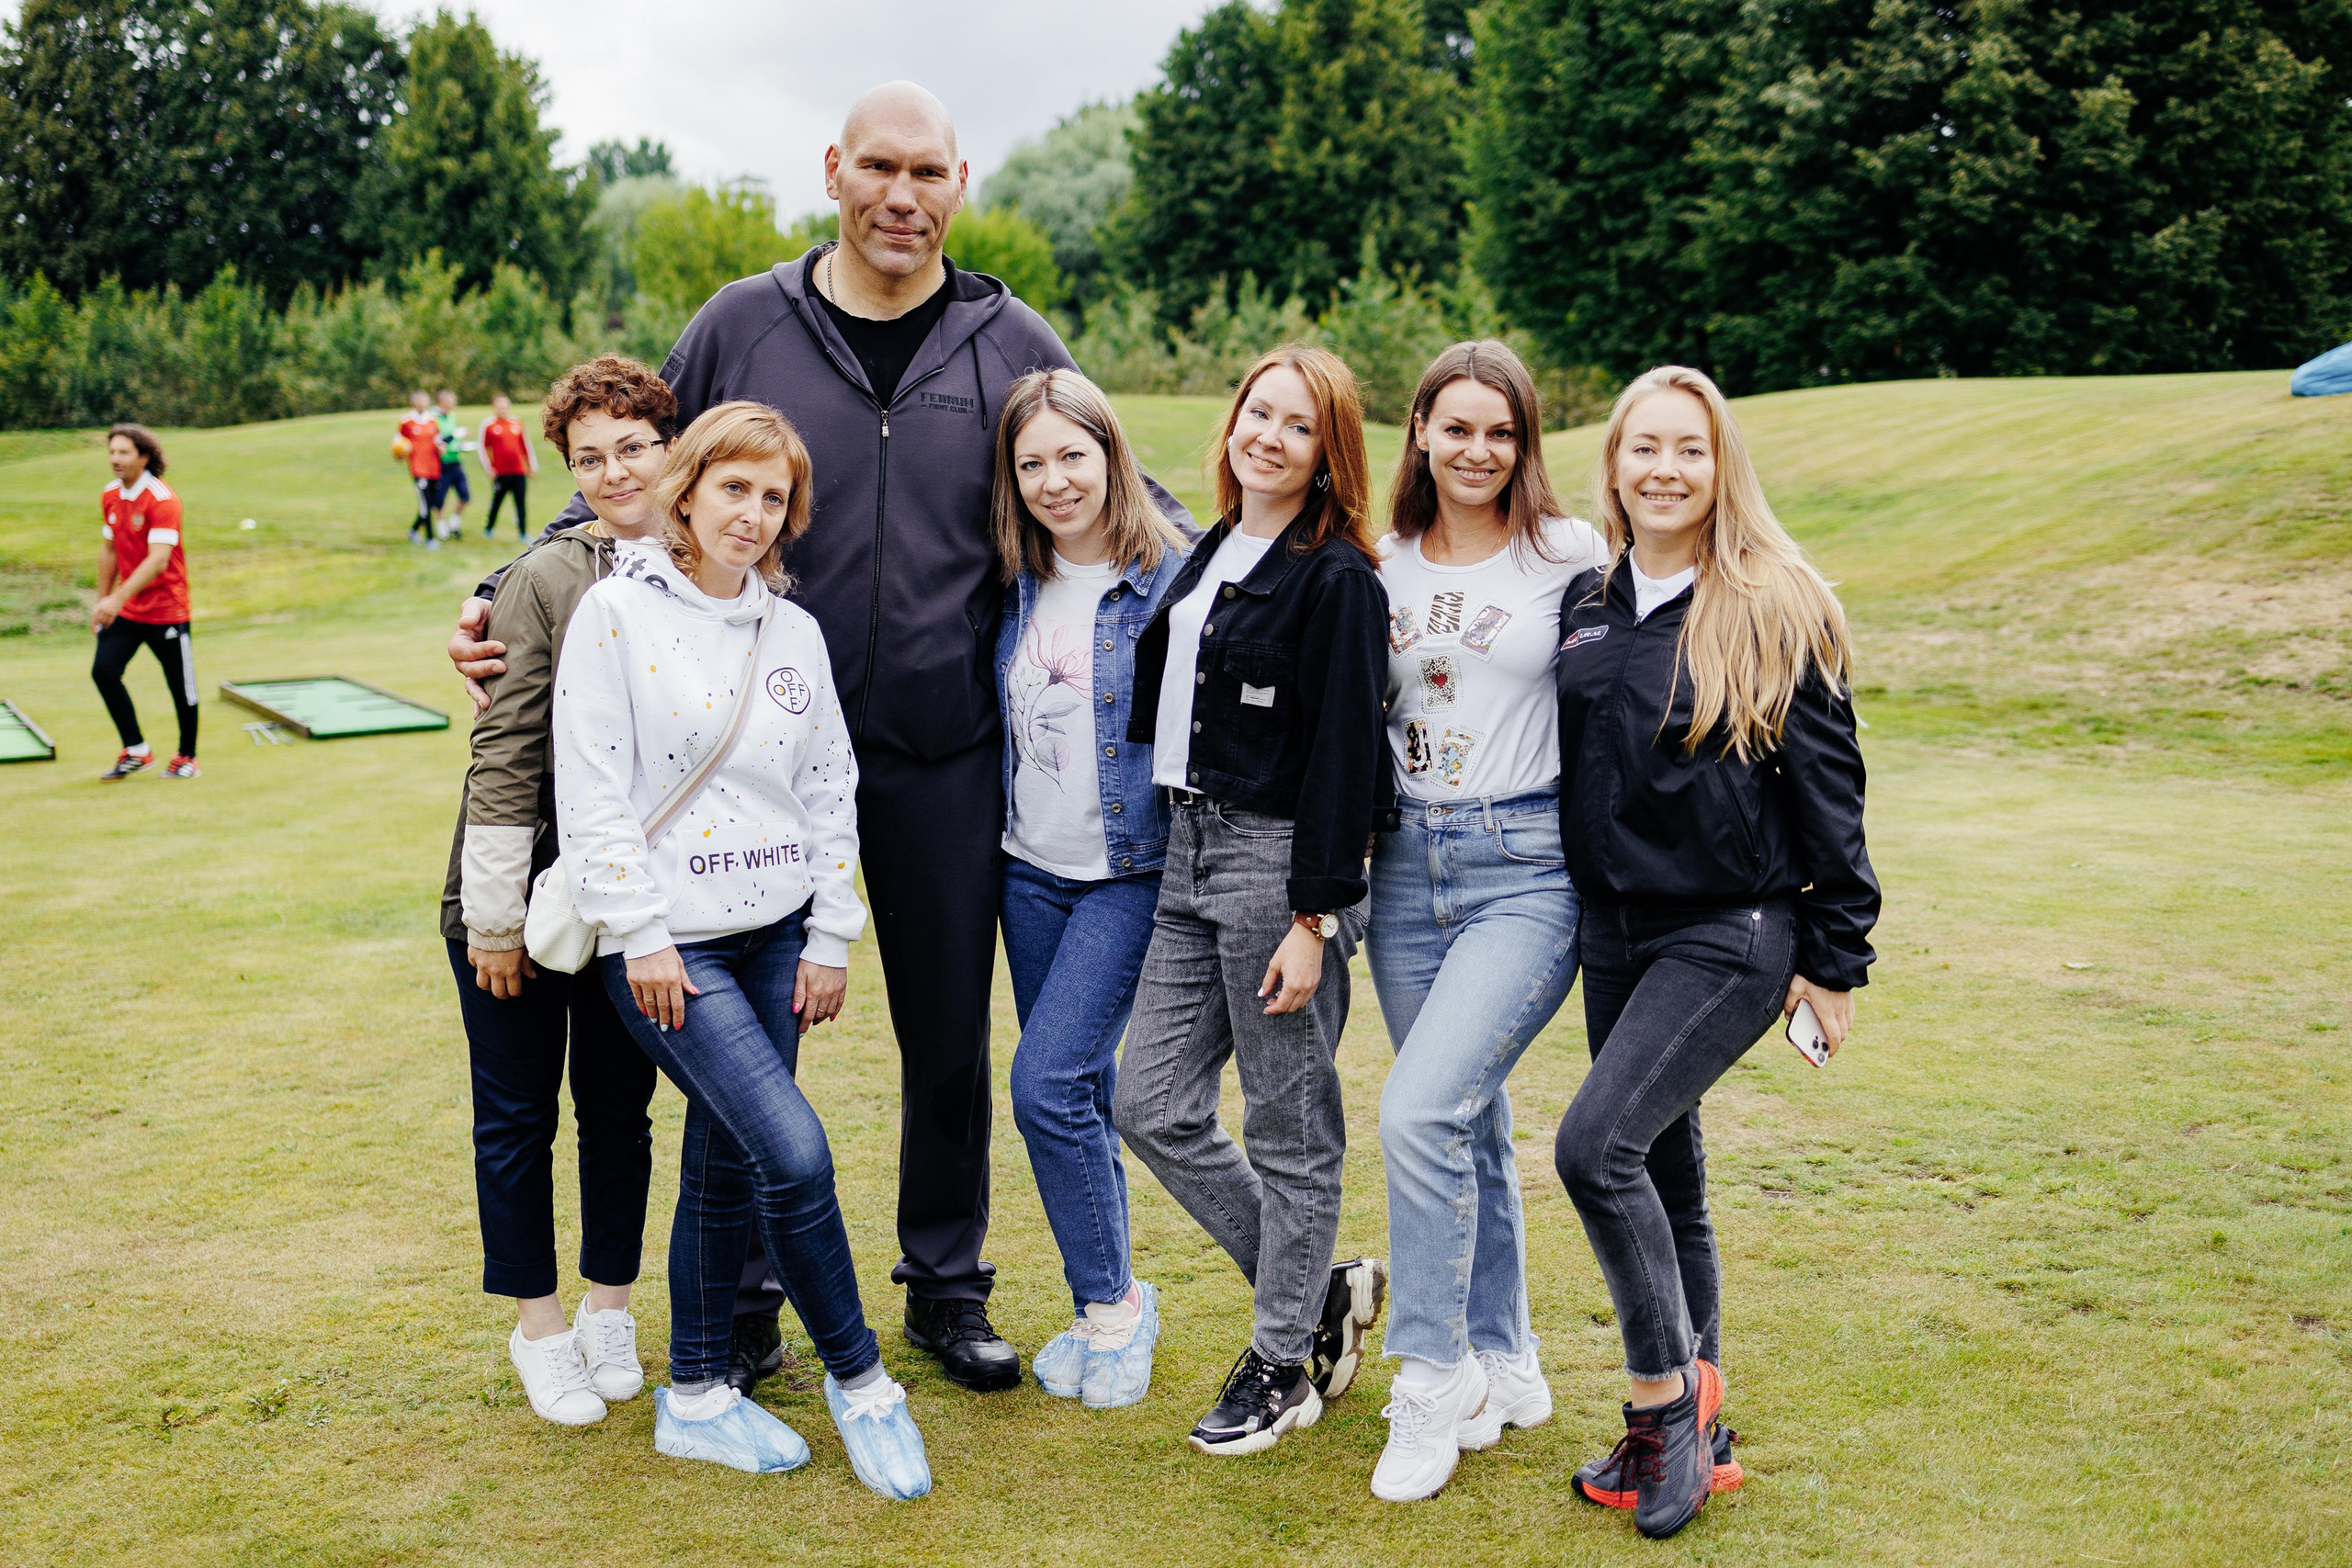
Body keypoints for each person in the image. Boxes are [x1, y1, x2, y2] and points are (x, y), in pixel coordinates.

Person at [447, 81, 1189, 1393]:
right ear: (835, 170)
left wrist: (1309, 578)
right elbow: (634, 480)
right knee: (754, 1048)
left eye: (931, 174)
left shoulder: (1008, 334)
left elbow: (1124, 492)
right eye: (880, 170)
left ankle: (947, 1286)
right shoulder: (744, 322)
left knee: (950, 1038)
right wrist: (514, 588)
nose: (904, 198)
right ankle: (739, 1301)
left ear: (961, 183)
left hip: (951, 756)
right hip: (747, 773)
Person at [553, 400, 930, 1497]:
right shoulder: (615, 615)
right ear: (686, 488)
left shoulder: (792, 631)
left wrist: (829, 935)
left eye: (774, 499)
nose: (753, 515)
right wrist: (640, 937)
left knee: (725, 1166)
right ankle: (864, 1387)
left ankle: (699, 1396)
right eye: (734, 488)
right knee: (795, 1153)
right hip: (671, 951)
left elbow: (827, 790)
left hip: (776, 939)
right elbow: (595, 791)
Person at [1550, 365, 1877, 1540]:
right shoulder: (1587, 598)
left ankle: (1664, 1415)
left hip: (1731, 930)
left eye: (1688, 449)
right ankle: (1712, 1421)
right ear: (1617, 462)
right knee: (1663, 1169)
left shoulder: (1778, 601)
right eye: (1644, 447)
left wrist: (1835, 962)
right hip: (1612, 930)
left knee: (1593, 1148)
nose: (1663, 469)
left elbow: (1830, 797)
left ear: (1719, 463)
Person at [1112, 345, 1391, 1456]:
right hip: (1188, 847)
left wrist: (1316, 919)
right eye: (1256, 414)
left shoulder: (1338, 579)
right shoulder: (1216, 548)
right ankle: (1316, 1292)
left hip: (1279, 868)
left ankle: (1282, 1361)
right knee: (1149, 1102)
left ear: (1330, 456)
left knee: (1288, 1125)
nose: (1267, 437)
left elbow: (1345, 762)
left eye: (1297, 426)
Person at [1363, 342, 1610, 1502]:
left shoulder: (1567, 555)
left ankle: (1430, 1376)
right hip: (1409, 866)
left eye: (1500, 432)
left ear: (1525, 443)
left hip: (1529, 863)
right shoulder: (1380, 562)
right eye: (1455, 428)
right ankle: (1508, 1360)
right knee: (1464, 1120)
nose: (1477, 451)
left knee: (1417, 1106)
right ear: (1418, 431)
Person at [439, 356, 676, 1428]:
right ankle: (538, 1327)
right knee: (517, 1116)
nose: (617, 469)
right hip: (519, 898)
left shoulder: (716, 562)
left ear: (671, 446)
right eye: (592, 456)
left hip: (632, 902)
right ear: (571, 471)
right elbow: (504, 753)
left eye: (634, 446)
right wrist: (492, 916)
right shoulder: (546, 577)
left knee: (620, 1114)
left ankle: (608, 1309)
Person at [989, 369, 1193, 1409]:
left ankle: (1111, 1309)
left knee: (1046, 1085)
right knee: (1082, 1093)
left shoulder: (1175, 579)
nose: (1054, 480)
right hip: (1029, 871)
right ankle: (1109, 1303)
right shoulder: (1015, 579)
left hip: (1130, 871)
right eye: (1031, 464)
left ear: (1113, 455)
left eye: (1073, 455)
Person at [91, 423, 199, 781]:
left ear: (144, 456)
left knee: (179, 686)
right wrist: (103, 601)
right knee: (104, 671)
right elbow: (108, 550)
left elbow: (157, 561)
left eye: (123, 453)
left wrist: (116, 599)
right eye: (111, 452)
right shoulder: (110, 494)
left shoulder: (162, 499)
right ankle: (137, 750)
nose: (115, 460)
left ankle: (187, 757)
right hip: (128, 609)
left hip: (167, 609)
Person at [481, 392, 537, 540]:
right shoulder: (490, 425)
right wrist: (489, 468)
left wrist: (531, 466)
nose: (502, 409)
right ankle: (489, 528)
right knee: (497, 502)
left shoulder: (517, 423)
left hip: (518, 471)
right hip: (501, 472)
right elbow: (483, 448)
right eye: (499, 406)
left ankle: (523, 533)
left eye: (505, 406)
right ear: (494, 407)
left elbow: (525, 446)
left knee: (520, 503)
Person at [398, 390, 443, 547]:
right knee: (425, 505)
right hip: (418, 469)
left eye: (425, 401)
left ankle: (413, 530)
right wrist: (400, 454)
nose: (424, 403)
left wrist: (441, 448)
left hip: (434, 468)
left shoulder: (432, 420)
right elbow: (398, 444)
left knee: (431, 504)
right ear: (413, 403)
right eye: (420, 401)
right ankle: (430, 538)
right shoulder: (406, 422)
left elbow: (437, 440)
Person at [432, 389, 472, 538]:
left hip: (456, 461)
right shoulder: (433, 417)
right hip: (441, 464)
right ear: (443, 402)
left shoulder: (452, 416)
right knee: (440, 498)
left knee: (465, 495)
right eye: (452, 401)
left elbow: (453, 439)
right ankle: (441, 525)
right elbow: (438, 440)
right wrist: (456, 434)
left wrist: (460, 442)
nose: (454, 403)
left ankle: (454, 523)